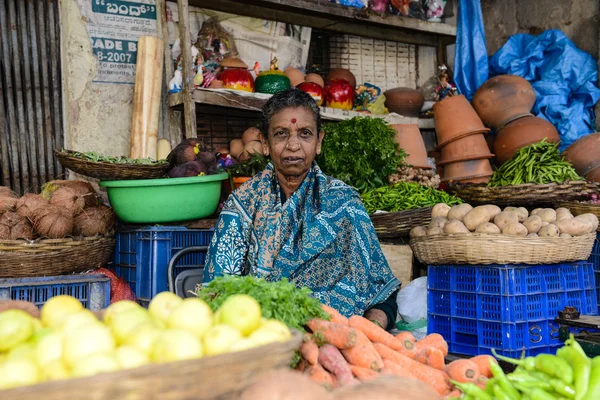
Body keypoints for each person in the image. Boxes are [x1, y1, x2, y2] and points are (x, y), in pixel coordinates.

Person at [204, 88, 401, 330]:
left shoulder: (345, 203)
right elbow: (217, 295)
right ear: (265, 144)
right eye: (281, 134)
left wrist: (370, 330)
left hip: (339, 339)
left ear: (319, 142)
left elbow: (382, 293)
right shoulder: (242, 205)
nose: (293, 145)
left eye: (305, 134)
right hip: (261, 340)